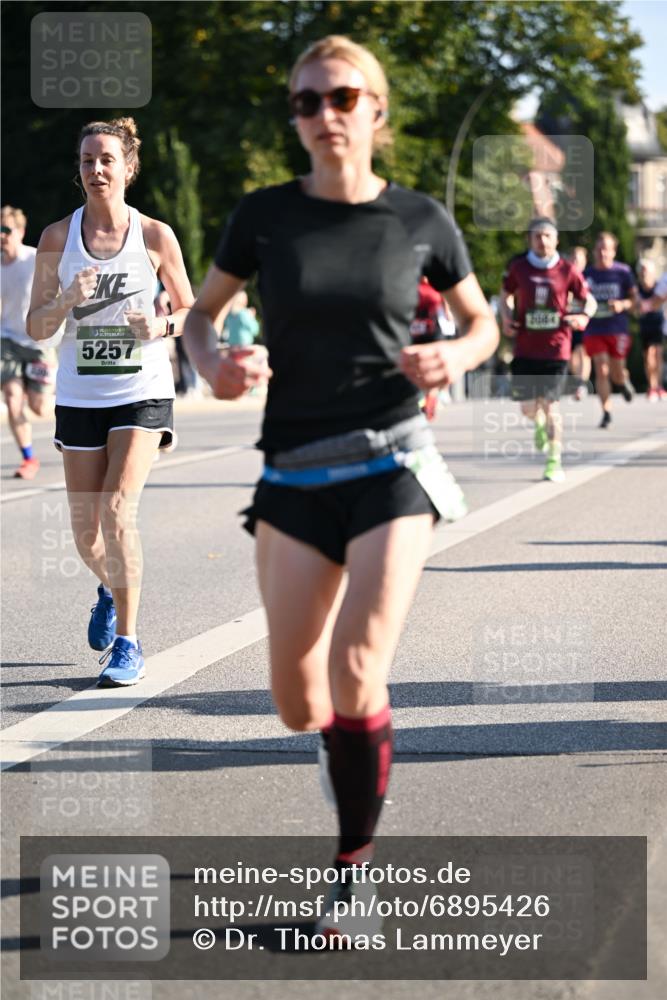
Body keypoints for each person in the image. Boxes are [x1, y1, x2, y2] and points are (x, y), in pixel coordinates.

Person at [184, 35, 498, 939]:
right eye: (306, 102)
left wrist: (455, 354)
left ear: (376, 111)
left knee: (357, 669)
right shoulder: (263, 216)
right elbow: (201, 318)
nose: (324, 115)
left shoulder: (420, 220)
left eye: (342, 97)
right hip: (291, 471)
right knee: (297, 700)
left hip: (394, 460)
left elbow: (482, 322)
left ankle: (350, 870)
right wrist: (215, 366)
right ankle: (346, 754)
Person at [27, 117, 193, 687]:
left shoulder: (155, 236)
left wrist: (161, 323)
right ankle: (109, 585)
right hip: (79, 394)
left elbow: (194, 312)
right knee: (86, 532)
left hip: (140, 391)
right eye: (86, 161)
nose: (95, 169)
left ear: (128, 167)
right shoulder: (56, 238)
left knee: (119, 510)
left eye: (105, 159)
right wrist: (68, 296)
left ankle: (128, 641)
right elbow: (35, 324)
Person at [500, 218, 596, 482]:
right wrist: (506, 317)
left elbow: (588, 300)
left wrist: (583, 317)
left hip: (556, 349)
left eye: (547, 236)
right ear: (530, 240)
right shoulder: (519, 268)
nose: (542, 241)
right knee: (528, 409)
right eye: (537, 236)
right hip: (525, 348)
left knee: (552, 406)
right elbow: (505, 294)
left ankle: (554, 462)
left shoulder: (567, 269)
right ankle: (538, 423)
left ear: (556, 240)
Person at [1, 205, 58, 479]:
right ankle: (28, 458)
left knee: (40, 407)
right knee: (12, 400)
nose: (2, 236)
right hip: (8, 341)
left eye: (6, 230)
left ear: (20, 232)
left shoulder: (35, 259)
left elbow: (59, 289)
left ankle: (75, 408)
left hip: (39, 343)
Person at [583, 232, 638, 428]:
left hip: (617, 329)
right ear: (594, 252)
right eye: (599, 249)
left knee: (616, 371)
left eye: (606, 249)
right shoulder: (587, 275)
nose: (602, 253)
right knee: (601, 368)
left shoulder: (623, 272)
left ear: (613, 252)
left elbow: (635, 301)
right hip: (594, 328)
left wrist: (623, 304)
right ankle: (606, 411)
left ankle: (623, 382)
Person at [410, 276, 456, 420]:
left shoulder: (427, 282)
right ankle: (429, 396)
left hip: (428, 327)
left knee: (430, 365)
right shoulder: (416, 280)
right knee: (423, 365)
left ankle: (430, 397)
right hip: (421, 328)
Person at [636, 259, 666, 400]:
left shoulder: (659, 286)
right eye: (642, 271)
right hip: (645, 325)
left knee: (657, 355)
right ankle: (652, 386)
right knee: (648, 357)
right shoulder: (637, 289)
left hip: (658, 323)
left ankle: (659, 386)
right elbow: (635, 305)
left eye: (647, 271)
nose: (644, 274)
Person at [565, 246, 592, 401]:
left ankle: (582, 384)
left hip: (584, 319)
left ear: (585, 260)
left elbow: (592, 301)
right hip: (568, 319)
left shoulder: (589, 277)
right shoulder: (565, 276)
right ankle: (576, 381)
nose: (576, 261)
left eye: (579, 258)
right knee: (570, 354)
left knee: (584, 352)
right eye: (573, 258)